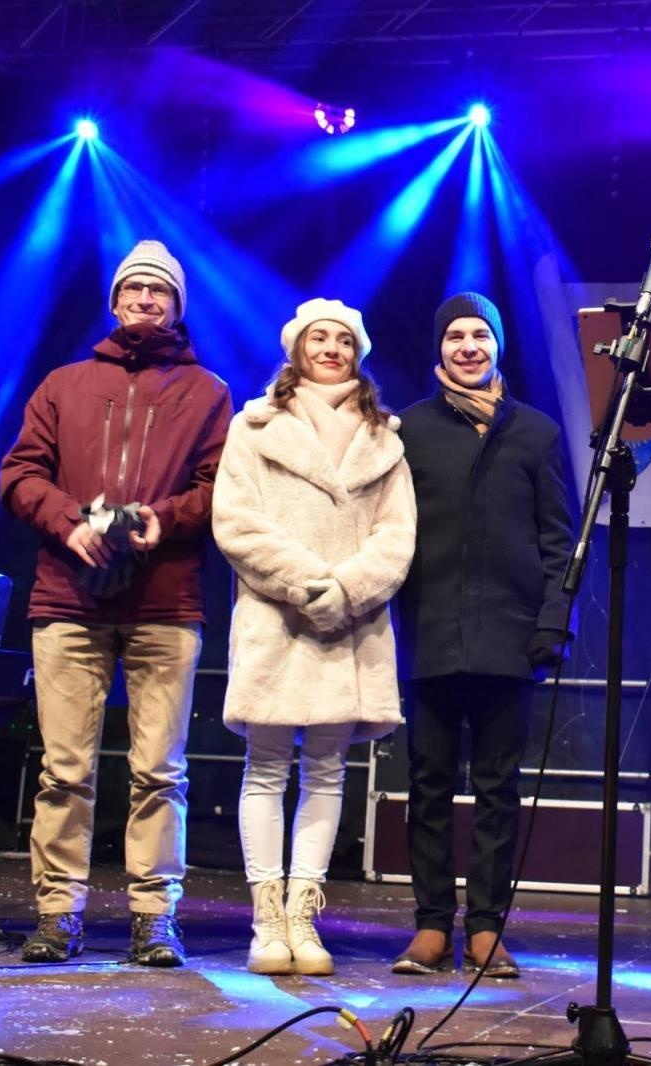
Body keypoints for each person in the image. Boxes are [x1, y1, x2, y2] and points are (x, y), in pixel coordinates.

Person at [0, 239, 232, 965]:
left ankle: (153, 916)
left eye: (159, 291)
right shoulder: (64, 383)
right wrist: (71, 525)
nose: (145, 300)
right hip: (70, 598)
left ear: (177, 304)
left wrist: (166, 518)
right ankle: (57, 913)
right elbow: (18, 474)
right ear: (114, 300)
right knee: (64, 768)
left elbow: (223, 485)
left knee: (160, 770)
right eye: (134, 289)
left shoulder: (209, 393)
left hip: (165, 599)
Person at [212, 299, 415, 976]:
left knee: (328, 773)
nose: (330, 348)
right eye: (317, 337)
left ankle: (304, 919)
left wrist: (347, 590)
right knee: (266, 770)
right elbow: (235, 521)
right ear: (296, 347)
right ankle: (266, 921)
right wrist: (309, 586)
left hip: (349, 629)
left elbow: (397, 534)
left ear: (358, 352)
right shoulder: (255, 423)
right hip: (278, 621)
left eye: (343, 339)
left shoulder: (385, 436)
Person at [390, 292, 576, 979]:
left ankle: (488, 927)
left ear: (498, 347)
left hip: (511, 634)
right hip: (431, 629)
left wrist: (554, 618)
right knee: (429, 784)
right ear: (438, 349)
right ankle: (432, 926)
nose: (468, 347)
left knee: (499, 788)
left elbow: (559, 538)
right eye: (455, 337)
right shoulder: (407, 430)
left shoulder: (536, 433)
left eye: (480, 336)